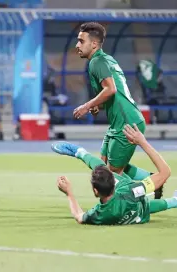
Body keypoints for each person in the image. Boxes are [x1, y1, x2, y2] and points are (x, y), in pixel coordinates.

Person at [73, 22, 164, 199]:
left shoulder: (97, 62)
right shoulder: (107, 59)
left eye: (81, 41)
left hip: (126, 122)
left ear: (93, 44)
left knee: (113, 174)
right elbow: (114, 92)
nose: (77, 45)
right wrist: (98, 104)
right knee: (104, 165)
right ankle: (149, 178)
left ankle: (149, 188)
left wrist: (87, 106)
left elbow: (111, 89)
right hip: (122, 121)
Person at [52, 124, 176, 225]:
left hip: (138, 213)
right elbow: (165, 172)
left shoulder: (99, 214)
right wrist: (142, 142)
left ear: (95, 191)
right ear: (114, 183)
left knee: (104, 168)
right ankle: (171, 198)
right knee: (114, 169)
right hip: (137, 205)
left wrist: (69, 193)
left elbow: (79, 216)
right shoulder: (130, 191)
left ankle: (79, 152)